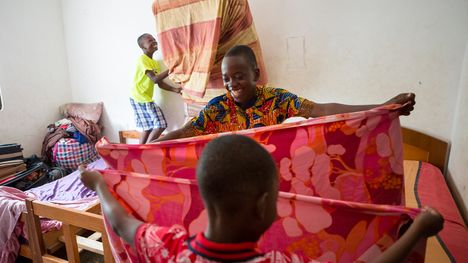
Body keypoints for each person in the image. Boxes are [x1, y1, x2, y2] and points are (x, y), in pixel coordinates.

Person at [80, 135, 443, 262]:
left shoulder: (170, 248)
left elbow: (125, 225)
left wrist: (99, 183)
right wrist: (418, 230)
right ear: (262, 205)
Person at [152, 45, 415, 142]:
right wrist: (148, 146)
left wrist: (382, 107)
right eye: (226, 79)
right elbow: (186, 132)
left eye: (239, 76)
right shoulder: (217, 107)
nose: (231, 84)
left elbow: (322, 111)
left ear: (256, 74)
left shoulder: (278, 100)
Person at [130, 33, 182, 144]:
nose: (154, 41)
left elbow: (159, 83)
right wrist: (171, 69)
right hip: (139, 97)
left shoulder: (154, 63)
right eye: (150, 41)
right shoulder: (142, 59)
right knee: (160, 124)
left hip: (143, 97)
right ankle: (147, 149)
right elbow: (154, 79)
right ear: (143, 47)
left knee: (148, 127)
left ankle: (140, 152)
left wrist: (175, 90)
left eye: (154, 39)